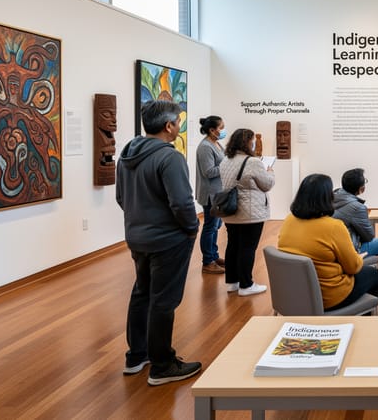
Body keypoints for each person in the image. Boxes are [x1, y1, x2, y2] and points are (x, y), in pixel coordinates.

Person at [115, 100, 202, 386]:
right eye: (178, 121)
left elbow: (120, 198)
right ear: (169, 126)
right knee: (163, 300)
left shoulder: (126, 155)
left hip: (137, 237)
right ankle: (162, 365)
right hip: (167, 240)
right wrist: (191, 228)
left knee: (142, 293)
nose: (179, 126)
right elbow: (181, 202)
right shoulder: (170, 157)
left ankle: (136, 356)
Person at [278, 174, 378, 311]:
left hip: (295, 293)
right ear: (327, 197)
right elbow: (353, 267)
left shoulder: (288, 220)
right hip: (328, 297)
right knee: (373, 274)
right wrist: (357, 258)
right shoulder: (334, 226)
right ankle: (362, 321)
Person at [219, 128, 274, 296]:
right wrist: (270, 172)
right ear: (248, 142)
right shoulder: (253, 162)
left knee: (233, 245)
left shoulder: (225, 160)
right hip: (250, 212)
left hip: (230, 211)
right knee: (248, 247)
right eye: (252, 140)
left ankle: (232, 282)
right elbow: (267, 184)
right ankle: (246, 285)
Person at [332, 168, 378, 300]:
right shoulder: (358, 207)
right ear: (361, 188)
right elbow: (369, 236)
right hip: (350, 248)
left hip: (333, 246)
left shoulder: (333, 195)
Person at [195, 115, 227, 274]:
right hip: (210, 194)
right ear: (212, 130)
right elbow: (208, 172)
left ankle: (214, 256)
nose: (223, 130)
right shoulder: (205, 147)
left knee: (216, 226)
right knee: (210, 226)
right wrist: (227, 166)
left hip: (219, 193)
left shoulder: (217, 143)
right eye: (221, 128)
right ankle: (207, 261)